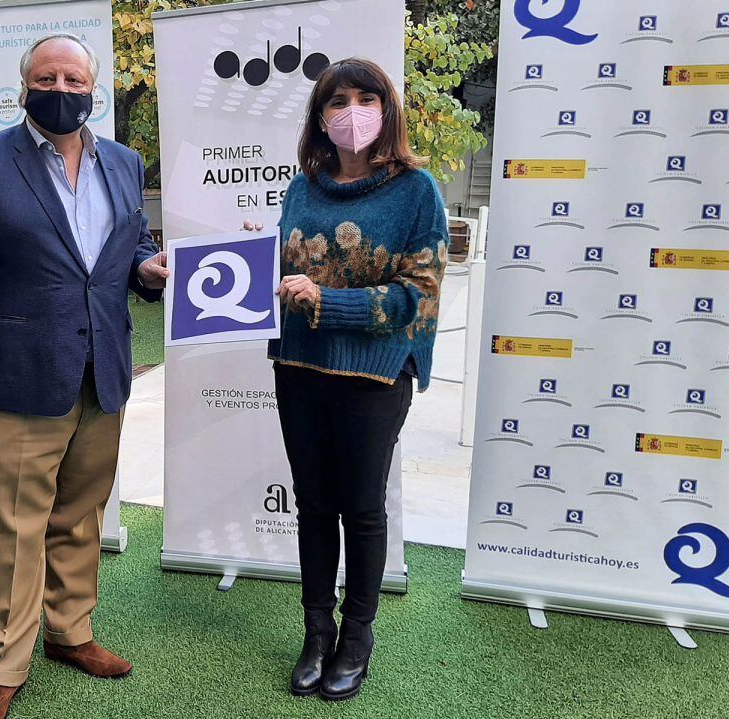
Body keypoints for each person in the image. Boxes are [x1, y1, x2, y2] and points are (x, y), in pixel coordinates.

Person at [0, 33, 168, 719]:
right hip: (18, 374)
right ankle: (6, 659)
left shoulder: (122, 161)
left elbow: (133, 245)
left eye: (74, 78)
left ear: (94, 89)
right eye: (49, 77)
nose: (63, 89)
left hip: (104, 370)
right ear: (24, 84)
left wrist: (148, 269)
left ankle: (69, 630)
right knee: (15, 526)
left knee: (80, 513)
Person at [267, 58, 449, 702]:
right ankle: (316, 632)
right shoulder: (302, 186)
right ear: (320, 117)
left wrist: (324, 300)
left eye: (365, 98)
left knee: (361, 508)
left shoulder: (417, 190)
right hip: (299, 369)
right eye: (336, 101)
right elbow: (283, 273)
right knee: (313, 503)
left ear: (387, 109)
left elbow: (418, 298)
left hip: (373, 376)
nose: (351, 112)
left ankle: (357, 635)